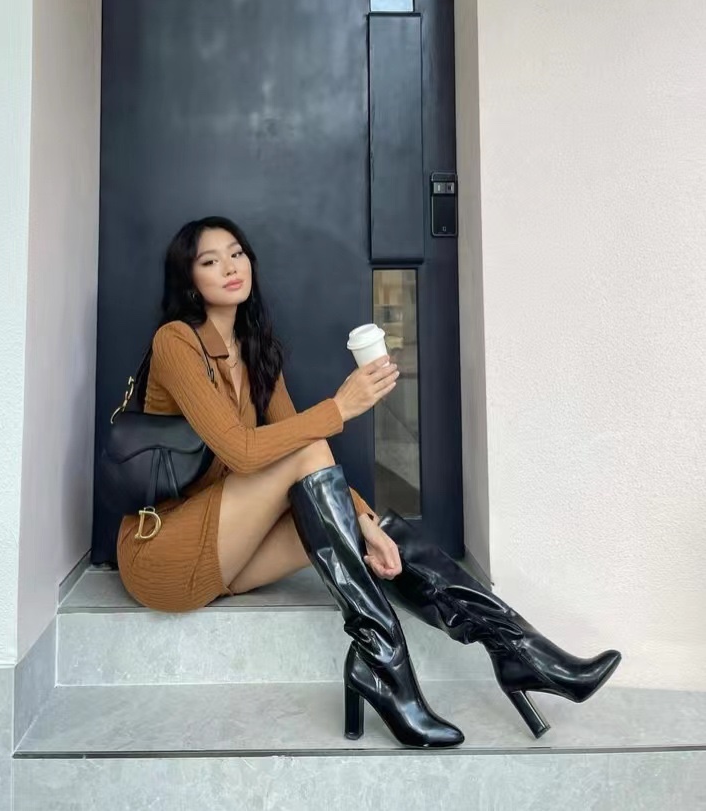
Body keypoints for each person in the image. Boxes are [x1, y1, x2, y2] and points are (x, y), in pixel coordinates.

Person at [117, 217, 621, 748]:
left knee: (363, 521)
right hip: (164, 553)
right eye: (209, 260)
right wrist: (340, 407)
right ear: (189, 279)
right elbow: (242, 452)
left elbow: (305, 458)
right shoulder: (176, 341)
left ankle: (516, 649)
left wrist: (365, 521)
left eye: (236, 253)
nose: (229, 267)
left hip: (230, 557)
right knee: (310, 450)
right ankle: (387, 663)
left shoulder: (254, 348)